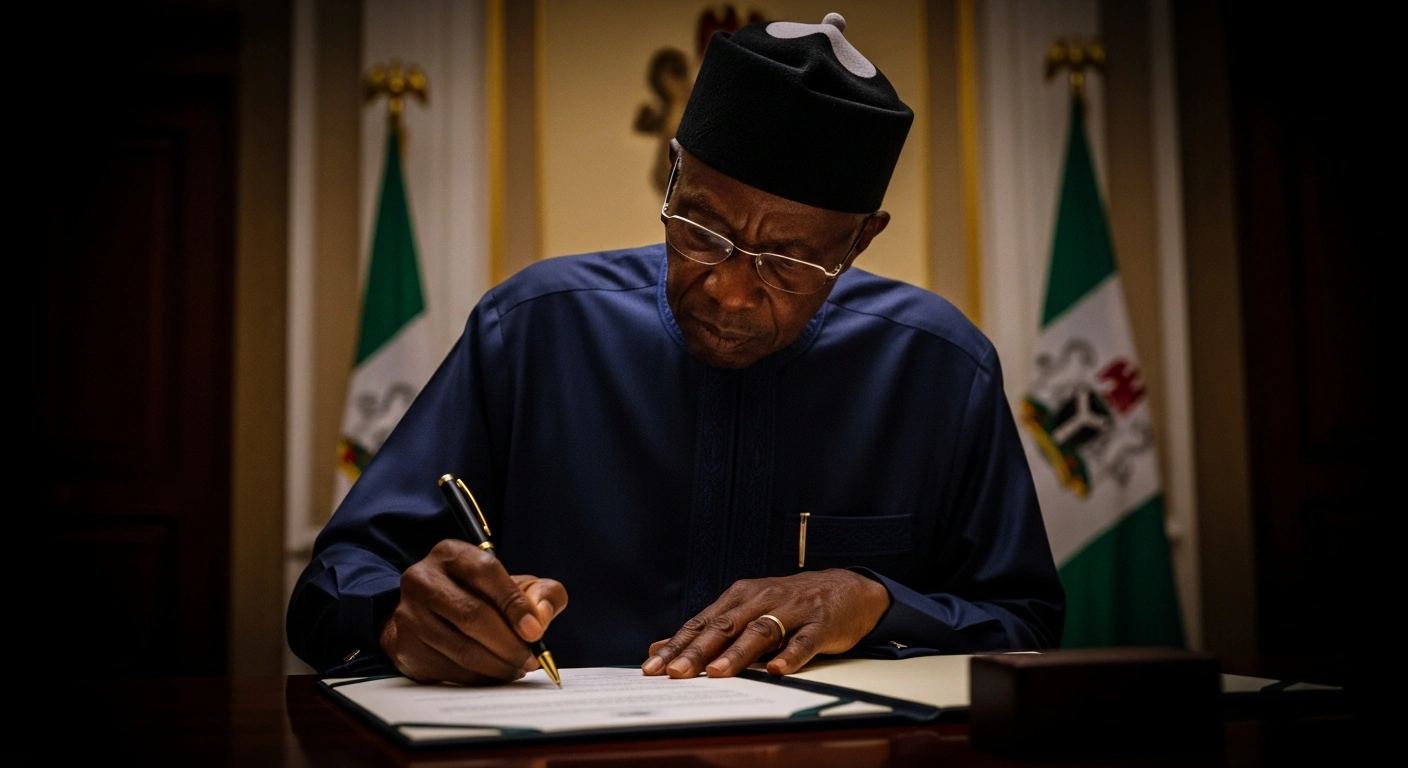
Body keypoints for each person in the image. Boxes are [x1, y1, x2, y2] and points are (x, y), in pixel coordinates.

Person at [288, 13, 1063, 685]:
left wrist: (876, 601)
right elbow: (332, 585)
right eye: (701, 231)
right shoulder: (531, 331)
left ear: (860, 242)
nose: (729, 290)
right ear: (674, 174)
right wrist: (399, 618)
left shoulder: (940, 370)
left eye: (788, 263)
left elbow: (1026, 625)